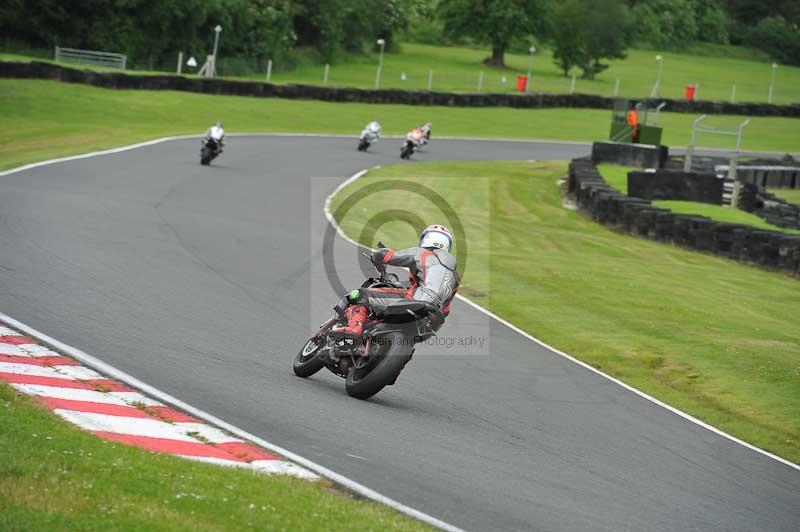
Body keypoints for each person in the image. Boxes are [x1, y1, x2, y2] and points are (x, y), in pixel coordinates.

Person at [331, 224, 460, 337]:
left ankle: (354, 327)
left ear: (426, 239)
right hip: (431, 315)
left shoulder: (422, 253)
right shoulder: (456, 276)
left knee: (360, 295)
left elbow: (388, 256)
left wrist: (377, 257)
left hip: (414, 300)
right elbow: (445, 310)